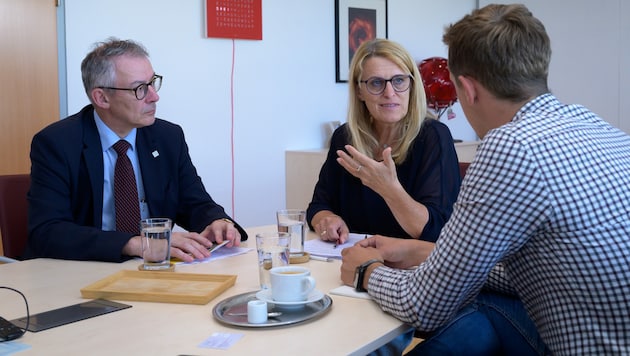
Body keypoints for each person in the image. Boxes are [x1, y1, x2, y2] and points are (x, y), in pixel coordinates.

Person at [341, 4, 630, 355]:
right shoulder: (601, 129)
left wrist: (365, 271)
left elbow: (425, 306)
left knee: (470, 307)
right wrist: (426, 252)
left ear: (467, 89)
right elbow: (554, 270)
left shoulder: (511, 146)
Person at [25, 38, 247, 263]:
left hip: (156, 269)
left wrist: (217, 222)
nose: (154, 96)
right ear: (101, 97)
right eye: (140, 88)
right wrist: (134, 243)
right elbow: (47, 232)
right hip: (87, 270)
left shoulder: (167, 137)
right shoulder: (57, 143)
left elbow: (193, 202)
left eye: (153, 83)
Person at [307, 38, 461, 245]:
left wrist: (388, 188)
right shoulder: (345, 137)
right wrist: (328, 219)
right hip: (350, 260)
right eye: (376, 83)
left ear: (412, 86)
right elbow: (318, 206)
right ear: (359, 91)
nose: (389, 93)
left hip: (408, 270)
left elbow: (436, 230)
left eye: (399, 81)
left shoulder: (434, 136)